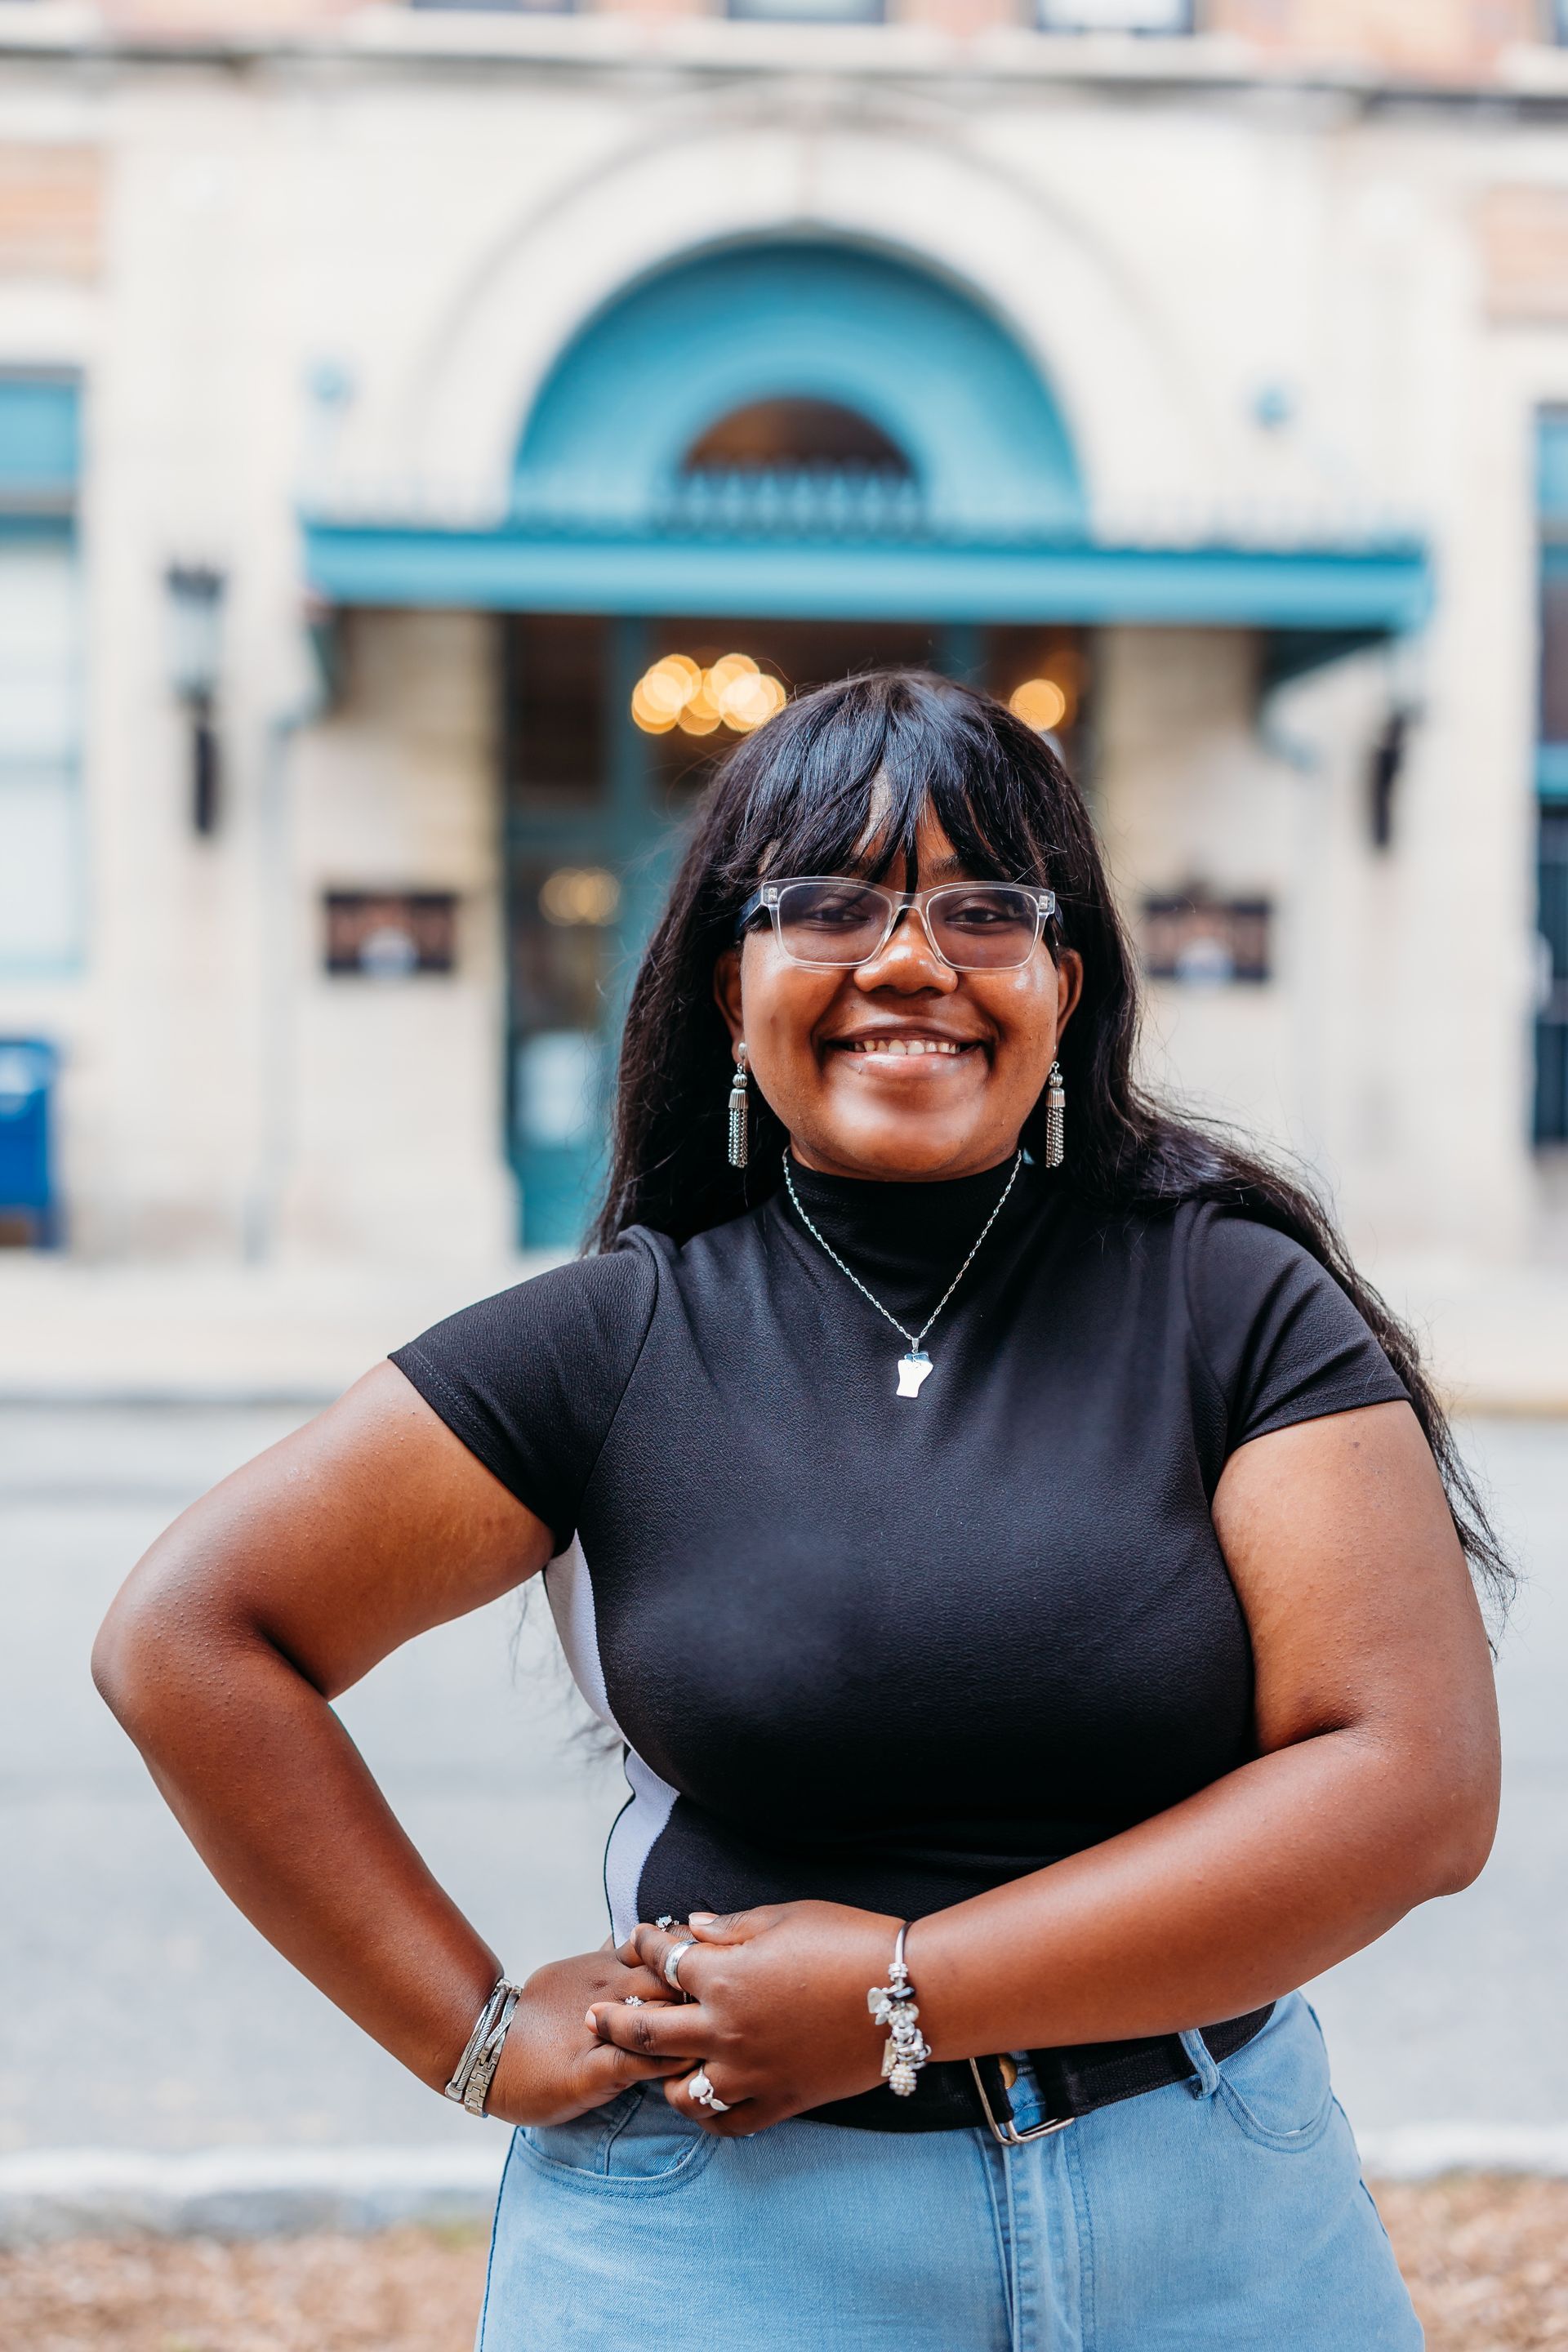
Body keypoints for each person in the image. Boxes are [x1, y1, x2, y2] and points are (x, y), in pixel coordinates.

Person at [94, 670, 1506, 2352]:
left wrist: (900, 1994)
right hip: (729, 2246)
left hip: (1214, 2220)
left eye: (986, 909)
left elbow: (1411, 1788)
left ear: (1068, 981)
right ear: (727, 978)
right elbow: (189, 1639)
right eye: (828, 905)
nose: (910, 960)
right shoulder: (614, 1340)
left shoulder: (1233, 1303)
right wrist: (469, 2028)